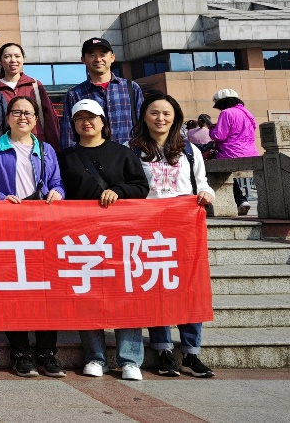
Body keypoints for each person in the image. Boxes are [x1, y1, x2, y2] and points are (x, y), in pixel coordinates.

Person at [58, 99, 150, 381]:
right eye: (80, 118)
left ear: (103, 122)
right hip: (82, 237)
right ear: (73, 125)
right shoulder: (67, 157)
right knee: (88, 295)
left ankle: (130, 359)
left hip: (120, 235)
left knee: (126, 295)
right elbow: (61, 189)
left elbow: (141, 186)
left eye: (92, 117)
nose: (86, 122)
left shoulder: (122, 153)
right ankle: (95, 356)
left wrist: (119, 191)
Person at [127, 92, 216, 379]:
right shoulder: (131, 150)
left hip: (184, 228)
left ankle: (191, 351)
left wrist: (206, 194)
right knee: (156, 286)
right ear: (144, 116)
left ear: (175, 117)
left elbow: (202, 183)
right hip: (148, 229)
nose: (160, 118)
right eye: (154, 112)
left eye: (166, 113)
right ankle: (164, 350)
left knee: (190, 287)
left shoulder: (190, 150)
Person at [0, 95, 66, 378]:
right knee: (12, 289)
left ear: (36, 119)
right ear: (7, 118)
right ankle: (20, 352)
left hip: (42, 226)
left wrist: (58, 193)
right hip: (8, 226)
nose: (23, 117)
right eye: (16, 112)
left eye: (28, 113)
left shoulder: (46, 149)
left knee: (46, 289)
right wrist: (1, 198)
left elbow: (57, 183)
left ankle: (47, 352)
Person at [60, 37, 144, 150]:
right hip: (92, 157)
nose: (98, 59)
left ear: (112, 57)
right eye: (92, 55)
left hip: (129, 154)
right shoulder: (74, 94)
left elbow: (143, 124)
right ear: (83, 60)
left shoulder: (131, 88)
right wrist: (70, 158)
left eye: (103, 54)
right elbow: (68, 133)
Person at [0, 43, 61, 151]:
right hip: (4, 147)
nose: (13, 60)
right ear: (0, 61)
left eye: (17, 56)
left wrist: (55, 148)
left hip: (36, 145)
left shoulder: (35, 85)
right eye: (7, 56)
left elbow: (50, 117)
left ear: (23, 59)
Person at [209, 88, 261, 215]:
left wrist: (211, 130)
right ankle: (242, 200)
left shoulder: (226, 113)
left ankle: (240, 200)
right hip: (252, 152)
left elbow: (219, 136)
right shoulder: (247, 112)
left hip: (231, 152)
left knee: (213, 170)